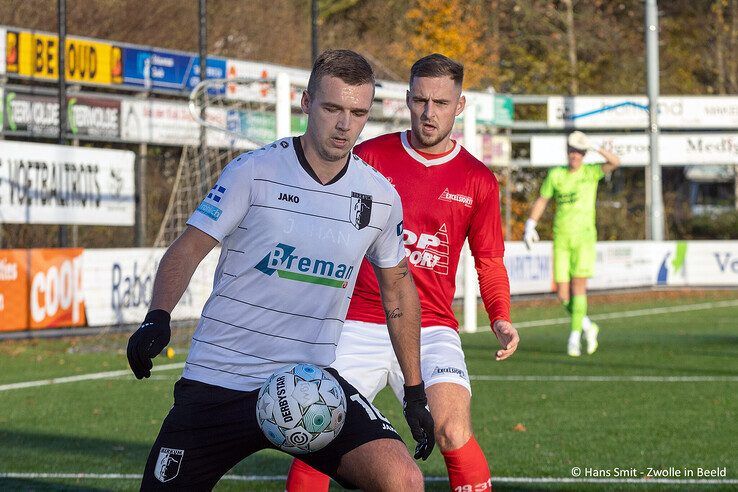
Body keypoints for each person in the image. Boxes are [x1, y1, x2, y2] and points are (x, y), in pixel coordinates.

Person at [126, 49, 435, 491]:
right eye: (332, 108)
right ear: (306, 103)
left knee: (401, 479)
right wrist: (157, 316)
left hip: (311, 385)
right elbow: (188, 247)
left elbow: (398, 289)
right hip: (221, 377)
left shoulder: (379, 196)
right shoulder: (254, 172)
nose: (345, 124)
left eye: (357, 112)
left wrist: (415, 389)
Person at [287, 53, 519, 492]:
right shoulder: (368, 158)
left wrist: (500, 316)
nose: (429, 114)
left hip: (431, 327)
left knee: (452, 429)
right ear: (408, 100)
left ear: (460, 105)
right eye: (420, 101)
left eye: (441, 103)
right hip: (358, 321)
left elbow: (488, 259)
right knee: (315, 429)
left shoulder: (478, 180)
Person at [523, 131, 621, 356]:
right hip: (561, 239)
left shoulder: (591, 172)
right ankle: (587, 324)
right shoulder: (556, 175)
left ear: (583, 155)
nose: (574, 156)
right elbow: (543, 199)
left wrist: (594, 145)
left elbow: (615, 162)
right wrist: (530, 224)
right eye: (571, 151)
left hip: (584, 239)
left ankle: (574, 337)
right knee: (562, 294)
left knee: (579, 288)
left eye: (578, 152)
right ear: (567, 154)